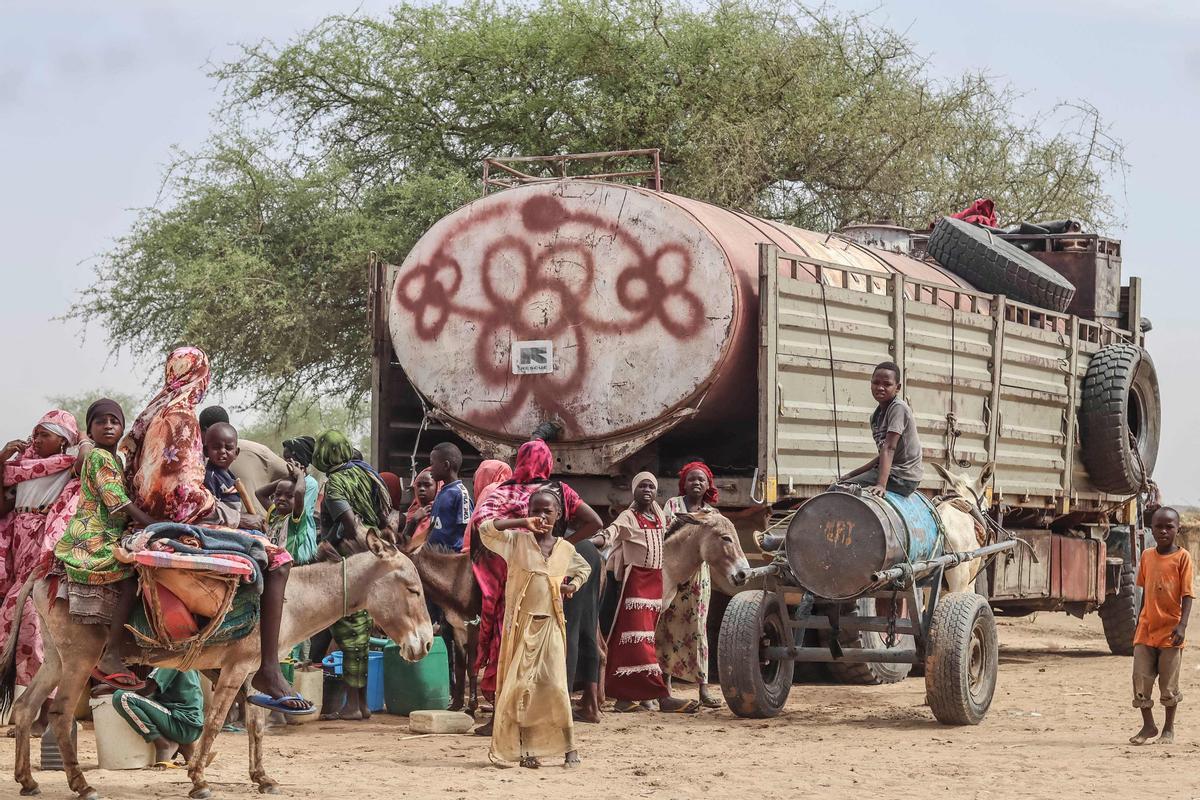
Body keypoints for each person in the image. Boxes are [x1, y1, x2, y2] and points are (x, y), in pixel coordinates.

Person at [120, 347, 312, 715]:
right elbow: (183, 493)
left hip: (151, 518)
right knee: (278, 559)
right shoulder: (182, 420)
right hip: (181, 523)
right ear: (201, 377)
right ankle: (269, 668)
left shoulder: (151, 417)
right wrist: (235, 518)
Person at [470, 440, 603, 715]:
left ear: (518, 461)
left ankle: (513, 710)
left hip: (520, 577)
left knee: (514, 643)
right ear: (548, 462)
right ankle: (570, 705)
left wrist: (548, 544)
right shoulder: (559, 492)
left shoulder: (503, 492)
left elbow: (481, 527)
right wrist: (562, 546)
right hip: (560, 573)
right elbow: (595, 522)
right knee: (571, 633)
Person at [477, 488, 590, 768]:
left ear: (559, 514)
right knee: (520, 690)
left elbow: (584, 569)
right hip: (521, 629)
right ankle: (527, 750)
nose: (541, 516)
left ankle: (570, 748)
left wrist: (571, 586)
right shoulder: (516, 541)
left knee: (555, 687)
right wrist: (519, 523)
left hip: (551, 626)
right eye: (535, 510)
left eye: (547, 511)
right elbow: (485, 529)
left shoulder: (565, 549)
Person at [54, 399, 160, 691]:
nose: (109, 426)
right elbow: (117, 504)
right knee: (129, 579)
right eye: (101, 422)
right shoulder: (99, 457)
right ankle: (112, 653)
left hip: (110, 532)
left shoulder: (117, 461)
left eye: (114, 421)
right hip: (93, 536)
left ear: (123, 427)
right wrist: (154, 523)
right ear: (90, 429)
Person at [0, 409, 83, 733]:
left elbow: (87, 456)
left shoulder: (67, 467)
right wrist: (3, 458)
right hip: (17, 545)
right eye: (36, 433)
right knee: (16, 627)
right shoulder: (18, 468)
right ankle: (34, 709)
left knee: (33, 623)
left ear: (63, 441)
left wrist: (82, 438)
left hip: (42, 544)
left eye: (45, 434)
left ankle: (48, 711)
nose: (37, 439)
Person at [594, 473, 699, 714]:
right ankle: (662, 697)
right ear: (634, 490)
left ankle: (624, 699)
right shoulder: (628, 516)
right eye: (642, 485)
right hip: (635, 583)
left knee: (637, 641)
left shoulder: (660, 515)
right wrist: (596, 541)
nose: (647, 490)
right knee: (638, 641)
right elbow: (612, 531)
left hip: (654, 583)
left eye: (651, 486)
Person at [311, 429, 393, 720]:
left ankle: (352, 705)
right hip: (372, 553)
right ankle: (360, 704)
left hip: (349, 556)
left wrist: (329, 544)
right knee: (361, 627)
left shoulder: (335, 483)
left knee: (350, 631)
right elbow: (384, 517)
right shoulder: (367, 473)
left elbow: (347, 523)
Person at [659, 461, 722, 709]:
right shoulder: (672, 506)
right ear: (683, 483)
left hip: (698, 580)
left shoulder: (713, 515)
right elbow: (664, 535)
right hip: (674, 575)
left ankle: (703, 688)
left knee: (698, 629)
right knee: (665, 628)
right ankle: (665, 686)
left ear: (708, 485)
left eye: (701, 480)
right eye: (691, 479)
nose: (696, 483)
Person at [1129, 506, 1193, 745]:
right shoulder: (1147, 556)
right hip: (1146, 630)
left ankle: (1168, 728)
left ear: (1178, 529)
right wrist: (1138, 623)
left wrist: (1182, 626)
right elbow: (1145, 592)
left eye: (1169, 527)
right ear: (1151, 529)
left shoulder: (1183, 558)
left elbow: (1187, 595)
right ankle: (1148, 726)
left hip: (1171, 631)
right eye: (1158, 526)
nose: (1163, 531)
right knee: (1140, 679)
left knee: (1168, 684)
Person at [837, 361, 923, 497]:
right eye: (876, 383)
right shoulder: (876, 417)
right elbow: (883, 455)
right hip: (894, 474)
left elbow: (889, 448)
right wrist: (850, 475)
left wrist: (881, 485)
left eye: (887, 384)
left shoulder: (898, 408)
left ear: (898, 387)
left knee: (838, 490)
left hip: (902, 477)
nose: (880, 388)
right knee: (842, 483)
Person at [198, 406, 289, 514]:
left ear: (236, 452)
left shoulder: (257, 452)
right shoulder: (206, 472)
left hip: (257, 525)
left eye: (227, 447)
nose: (222, 452)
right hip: (232, 527)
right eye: (215, 446)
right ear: (206, 450)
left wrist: (277, 514)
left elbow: (295, 477)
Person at [110, 668, 204, 766]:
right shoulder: (188, 659)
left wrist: (113, 687)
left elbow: (147, 690)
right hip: (193, 728)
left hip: (180, 724)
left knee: (121, 697)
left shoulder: (169, 658)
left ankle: (162, 744)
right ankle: (186, 747)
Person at [257, 464, 318, 565]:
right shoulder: (274, 513)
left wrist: (299, 475)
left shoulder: (295, 517)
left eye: (289, 496)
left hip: (287, 567)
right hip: (271, 562)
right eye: (278, 494)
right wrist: (286, 478)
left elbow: (299, 492)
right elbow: (259, 493)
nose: (281, 498)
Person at [462, 460, 512, 554]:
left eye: (475, 482)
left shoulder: (490, 490)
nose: (473, 488)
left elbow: (472, 532)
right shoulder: (515, 492)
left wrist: (466, 552)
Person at [428, 443, 471, 552]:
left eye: (432, 464)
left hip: (450, 560)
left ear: (446, 465)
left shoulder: (460, 493)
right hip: (435, 556)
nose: (430, 468)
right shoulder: (442, 491)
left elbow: (467, 530)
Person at [401, 467, 441, 547]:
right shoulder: (413, 511)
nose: (422, 489)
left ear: (437, 487)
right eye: (418, 485)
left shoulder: (442, 510)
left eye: (427, 485)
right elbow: (403, 543)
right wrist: (414, 520)